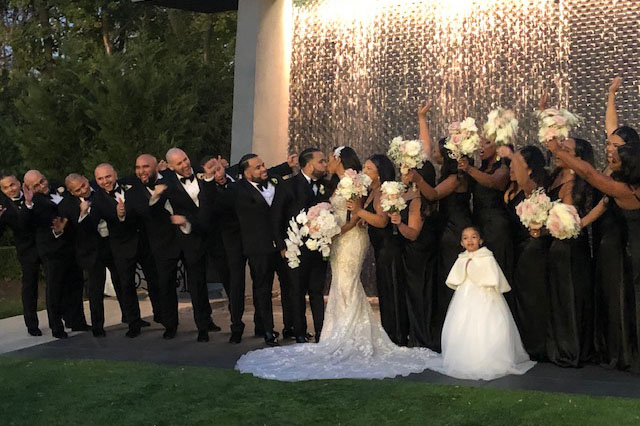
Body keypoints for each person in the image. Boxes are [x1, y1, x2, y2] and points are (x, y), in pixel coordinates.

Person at [236, 148, 438, 381]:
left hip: (350, 240)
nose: (327, 163)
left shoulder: (353, 182)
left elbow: (356, 217)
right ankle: (337, 332)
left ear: (339, 160)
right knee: (341, 286)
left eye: (329, 158)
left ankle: (352, 334)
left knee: (347, 284)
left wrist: (334, 233)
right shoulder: (333, 183)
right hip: (338, 241)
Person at [432, 226, 535, 380]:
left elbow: (491, 277)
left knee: (487, 323)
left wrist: (475, 270)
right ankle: (465, 358)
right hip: (465, 296)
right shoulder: (462, 258)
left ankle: (491, 358)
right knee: (463, 323)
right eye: (465, 238)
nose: (470, 240)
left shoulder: (487, 257)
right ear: (461, 242)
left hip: (486, 296)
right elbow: (455, 278)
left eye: (474, 237)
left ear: (480, 240)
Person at [272, 148, 329, 343]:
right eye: (322, 161)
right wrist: (282, 247)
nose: (325, 164)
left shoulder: (325, 185)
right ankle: (300, 333)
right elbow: (276, 217)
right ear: (310, 164)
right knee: (296, 292)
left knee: (317, 291)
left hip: (319, 248)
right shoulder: (288, 185)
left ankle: (322, 332)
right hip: (295, 248)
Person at [0, 173, 42, 336]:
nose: (10, 189)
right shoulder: (3, 207)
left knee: (57, 283)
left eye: (12, 185)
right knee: (29, 287)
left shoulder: (34, 196)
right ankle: (32, 325)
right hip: (26, 251)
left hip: (45, 246)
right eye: (5, 187)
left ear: (18, 183)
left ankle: (65, 318)